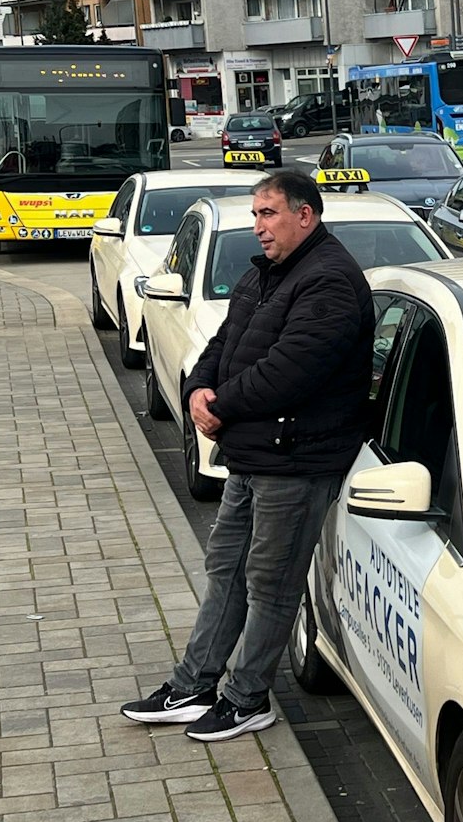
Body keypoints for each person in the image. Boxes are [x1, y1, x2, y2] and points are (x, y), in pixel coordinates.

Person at [121, 168, 374, 742]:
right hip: (255, 455)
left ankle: (247, 698)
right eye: (255, 214)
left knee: (272, 583)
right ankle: (194, 685)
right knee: (227, 569)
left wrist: (221, 405)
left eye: (268, 214)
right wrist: (195, 391)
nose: (257, 226)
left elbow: (290, 373)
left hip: (297, 458)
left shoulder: (328, 282)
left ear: (304, 216)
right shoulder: (265, 275)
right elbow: (221, 345)